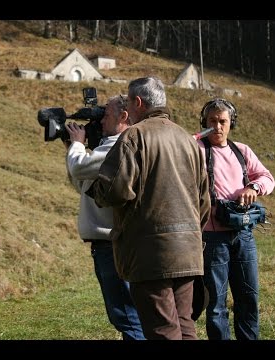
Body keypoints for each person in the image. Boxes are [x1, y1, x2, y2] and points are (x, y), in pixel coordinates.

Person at [86, 76, 211, 339]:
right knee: (185, 326)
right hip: (188, 251)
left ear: (138, 102)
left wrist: (93, 188)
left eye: (129, 104)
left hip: (151, 254)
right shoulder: (187, 140)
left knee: (161, 330)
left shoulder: (133, 137)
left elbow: (113, 190)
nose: (127, 111)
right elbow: (203, 201)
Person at [64, 95, 145, 340]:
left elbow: (78, 168)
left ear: (123, 117)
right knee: (131, 314)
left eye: (106, 115)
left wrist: (77, 144)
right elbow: (85, 187)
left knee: (127, 316)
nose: (100, 121)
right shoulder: (114, 144)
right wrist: (72, 150)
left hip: (112, 245)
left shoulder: (117, 145)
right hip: (116, 243)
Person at [197, 98, 275, 340]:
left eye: (223, 122)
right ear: (204, 122)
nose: (218, 127)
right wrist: (195, 137)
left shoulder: (242, 150)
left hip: (243, 235)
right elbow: (177, 151)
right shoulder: (195, 149)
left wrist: (253, 187)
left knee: (248, 298)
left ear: (231, 124)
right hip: (212, 239)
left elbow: (267, 177)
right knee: (216, 305)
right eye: (212, 121)